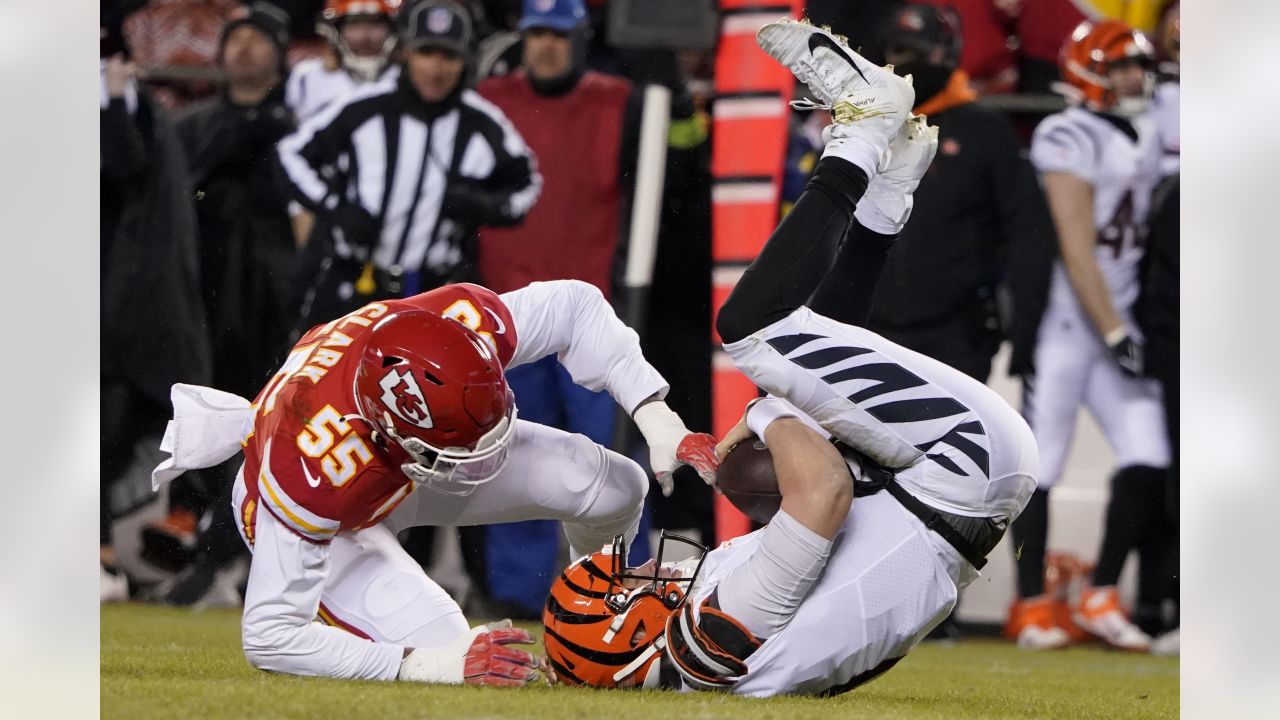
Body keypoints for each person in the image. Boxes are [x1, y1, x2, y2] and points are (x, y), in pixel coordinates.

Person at [542, 20, 1037, 696]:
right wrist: (767, 411)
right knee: (751, 329)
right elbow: (824, 490)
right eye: (625, 585)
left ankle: (887, 191)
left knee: (796, 364)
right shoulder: (703, 644)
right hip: (960, 466)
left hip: (950, 495)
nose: (644, 571)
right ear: (623, 633)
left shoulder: (707, 666)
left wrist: (785, 405)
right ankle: (861, 128)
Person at [149, 277, 719, 682]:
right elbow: (270, 637)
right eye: (469, 444)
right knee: (463, 653)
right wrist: (423, 665)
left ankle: (592, 614)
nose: (487, 455)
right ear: (395, 432)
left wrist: (657, 418)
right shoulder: (310, 466)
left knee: (617, 486)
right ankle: (447, 647)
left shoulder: (457, 324)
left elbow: (575, 306)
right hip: (341, 515)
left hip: (409, 464)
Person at [468, 0, 635, 618]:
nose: (546, 47)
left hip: (588, 317)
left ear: (579, 40)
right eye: (536, 34)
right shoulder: (488, 99)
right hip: (506, 319)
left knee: (606, 459)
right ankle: (519, 597)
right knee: (509, 463)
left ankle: (621, 590)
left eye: (558, 36)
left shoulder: (620, 100)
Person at [1008, 19, 1168, 652]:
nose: (1134, 77)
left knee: (1150, 453)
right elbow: (1077, 247)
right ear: (1089, 72)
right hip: (1071, 325)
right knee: (1040, 463)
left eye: (1139, 66)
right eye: (1121, 66)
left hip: (1118, 319)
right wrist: (1113, 327)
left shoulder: (1149, 128)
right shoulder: (1065, 131)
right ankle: (1028, 604)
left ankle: (1101, 592)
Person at [140, 2, 301, 584]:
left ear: (282, 55)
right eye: (236, 38)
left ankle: (250, 528)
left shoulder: (303, 125)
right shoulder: (193, 127)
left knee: (269, 408)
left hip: (275, 293)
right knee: (199, 394)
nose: (244, 49)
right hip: (201, 287)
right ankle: (188, 511)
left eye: (260, 39)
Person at [276, 0, 542, 335]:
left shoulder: (481, 123)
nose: (436, 68)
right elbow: (290, 154)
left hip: (437, 291)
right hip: (357, 281)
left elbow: (527, 183)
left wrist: (486, 207)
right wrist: (337, 208)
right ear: (406, 53)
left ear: (465, 61)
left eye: (449, 56)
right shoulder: (366, 106)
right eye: (426, 52)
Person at [101, 2, 213, 601]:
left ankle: (98, 549)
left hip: (122, 312)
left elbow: (123, 165)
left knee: (111, 428)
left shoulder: (135, 112)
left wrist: (114, 101)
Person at [286, 0, 401, 122]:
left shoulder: (406, 76)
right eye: (354, 24)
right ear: (335, 30)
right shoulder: (306, 77)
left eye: (375, 23)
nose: (364, 36)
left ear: (392, 29)